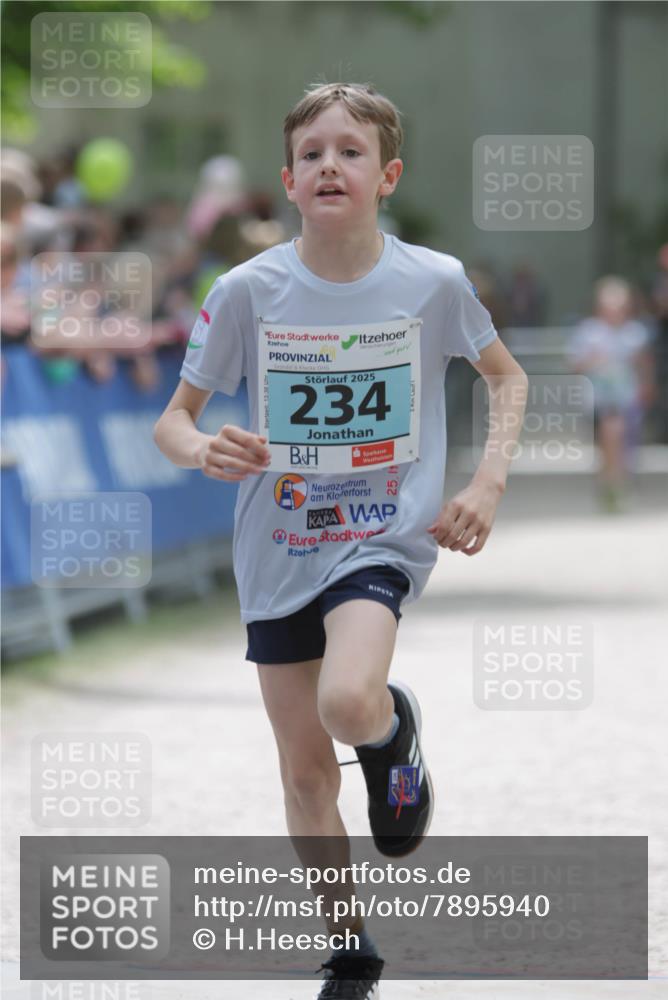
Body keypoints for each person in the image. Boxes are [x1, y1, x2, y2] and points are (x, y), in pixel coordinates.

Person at [154, 82, 528, 999]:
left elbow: (508, 379)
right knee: (305, 769)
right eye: (312, 152)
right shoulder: (248, 290)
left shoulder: (432, 281)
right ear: (288, 180)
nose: (330, 163)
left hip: (377, 535)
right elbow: (174, 420)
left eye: (350, 151)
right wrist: (207, 447)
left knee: (349, 702)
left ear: (386, 175)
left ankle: (393, 731)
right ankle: (349, 948)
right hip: (276, 544)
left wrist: (485, 482)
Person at [568, 276, 655, 511]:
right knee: (608, 440)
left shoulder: (635, 332)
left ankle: (616, 483)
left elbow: (645, 363)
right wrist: (594, 361)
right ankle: (611, 483)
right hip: (598, 397)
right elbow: (575, 365)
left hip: (626, 397)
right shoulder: (589, 331)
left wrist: (646, 385)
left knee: (621, 437)